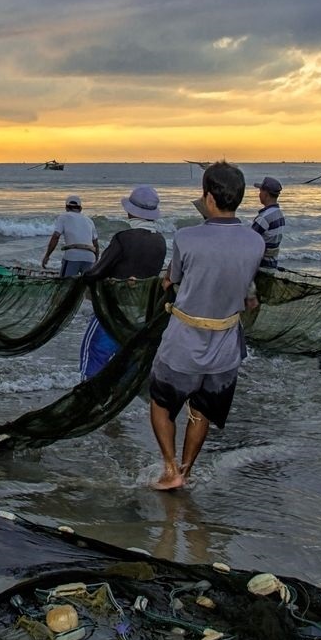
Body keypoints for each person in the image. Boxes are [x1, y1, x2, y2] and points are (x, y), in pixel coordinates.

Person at [149, 162, 264, 490]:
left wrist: (166, 282)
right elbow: (244, 287)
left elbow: (174, 280)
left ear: (209, 197)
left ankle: (171, 469)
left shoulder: (186, 237)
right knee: (202, 409)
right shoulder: (255, 242)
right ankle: (186, 469)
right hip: (226, 344)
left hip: (185, 339)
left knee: (161, 404)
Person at [79, 185, 167, 379]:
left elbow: (97, 271)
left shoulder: (123, 239)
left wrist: (82, 279)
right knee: (127, 357)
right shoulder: (160, 241)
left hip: (114, 311)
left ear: (130, 212)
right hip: (141, 314)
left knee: (93, 353)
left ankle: (87, 397)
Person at [41, 195, 98, 277]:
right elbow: (95, 243)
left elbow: (55, 237)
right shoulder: (89, 220)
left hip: (73, 257)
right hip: (90, 258)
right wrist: (96, 260)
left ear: (66, 208)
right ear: (80, 209)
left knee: (64, 284)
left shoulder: (63, 217)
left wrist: (47, 256)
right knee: (86, 286)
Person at [250, 176, 285, 268]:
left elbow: (249, 241)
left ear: (266, 194)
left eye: (260, 191)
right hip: (272, 263)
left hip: (262, 265)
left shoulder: (264, 218)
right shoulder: (279, 214)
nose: (259, 194)